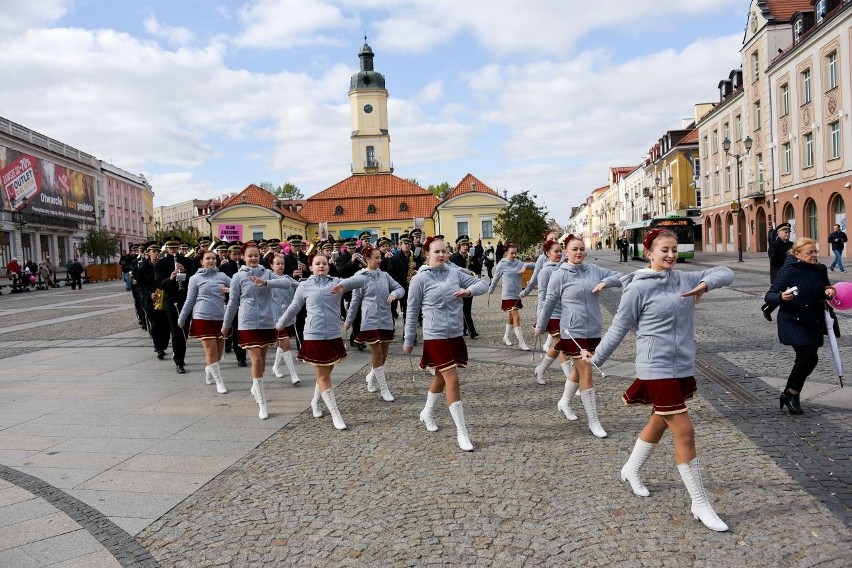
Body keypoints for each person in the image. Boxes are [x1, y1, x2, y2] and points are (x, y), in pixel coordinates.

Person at [582, 229, 734, 532]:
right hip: (656, 366)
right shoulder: (637, 288)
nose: (671, 255)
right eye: (664, 250)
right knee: (684, 430)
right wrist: (596, 358)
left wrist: (703, 285)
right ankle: (700, 503)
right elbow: (619, 327)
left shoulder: (684, 279)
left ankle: (631, 468)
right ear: (648, 252)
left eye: (674, 250)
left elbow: (725, 271)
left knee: (658, 421)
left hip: (682, 365)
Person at [404, 236, 489, 451]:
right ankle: (462, 432)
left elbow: (483, 284)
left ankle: (427, 412)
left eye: (444, 251)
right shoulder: (419, 279)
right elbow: (412, 311)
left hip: (455, 333)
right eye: (437, 252)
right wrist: (408, 339)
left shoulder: (454, 272)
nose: (441, 255)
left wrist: (468, 291)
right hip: (435, 335)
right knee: (452, 378)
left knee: (441, 377)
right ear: (427, 254)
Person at [535, 235, 623, 437]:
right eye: (574, 249)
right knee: (587, 372)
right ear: (566, 252)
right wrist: (540, 325)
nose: (579, 252)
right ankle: (594, 421)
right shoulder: (559, 275)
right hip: (572, 331)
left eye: (582, 249)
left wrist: (606, 282)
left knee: (578, 370)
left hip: (593, 328)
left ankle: (564, 402)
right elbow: (548, 302)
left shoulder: (593, 270)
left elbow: (622, 277)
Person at [276, 253, 366, 430]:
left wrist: (343, 285)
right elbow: (294, 307)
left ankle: (315, 402)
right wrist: (280, 324)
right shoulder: (304, 286)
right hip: (313, 334)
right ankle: (335, 413)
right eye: (317, 263)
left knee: (325, 373)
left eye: (324, 263)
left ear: (328, 266)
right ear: (311, 267)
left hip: (333, 334)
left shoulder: (335, 282)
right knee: (323, 375)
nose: (321, 266)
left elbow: (361, 281)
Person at [222, 242, 297, 420]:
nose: (253, 258)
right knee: (255, 360)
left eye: (256, 255)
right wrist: (226, 324)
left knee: (262, 363)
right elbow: (233, 302)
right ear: (244, 257)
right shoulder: (238, 277)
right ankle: (263, 403)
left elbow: (287, 283)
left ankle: (256, 385)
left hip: (266, 321)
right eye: (250, 256)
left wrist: (266, 282)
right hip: (247, 322)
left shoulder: (267, 272)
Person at [764, 237, 837, 415]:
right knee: (806, 356)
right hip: (793, 320)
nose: (814, 255)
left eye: (815, 251)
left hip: (813, 319)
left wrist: (830, 291)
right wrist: (781, 297)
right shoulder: (788, 270)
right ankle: (792, 395)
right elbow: (770, 295)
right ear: (797, 254)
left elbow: (825, 286)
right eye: (809, 252)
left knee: (811, 359)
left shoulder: (820, 268)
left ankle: (789, 392)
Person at [344, 245, 405, 401]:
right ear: (368, 259)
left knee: (383, 356)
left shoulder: (384, 275)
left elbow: (400, 288)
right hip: (370, 320)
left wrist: (394, 294)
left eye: (380, 257)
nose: (380, 260)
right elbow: (355, 301)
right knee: (377, 354)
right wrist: (349, 320)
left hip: (385, 319)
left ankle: (371, 376)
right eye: (377, 257)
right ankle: (384, 389)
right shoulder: (361, 276)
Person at [177, 251, 232, 395]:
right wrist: (182, 318)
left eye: (213, 258)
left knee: (219, 354)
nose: (211, 261)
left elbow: (238, 289)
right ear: (201, 261)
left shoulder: (222, 276)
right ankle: (219, 382)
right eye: (207, 258)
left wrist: (229, 290)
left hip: (220, 318)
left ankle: (209, 369)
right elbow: (190, 300)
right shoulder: (195, 278)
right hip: (202, 317)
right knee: (211, 350)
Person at [155, 237, 194, 374]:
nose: (173, 250)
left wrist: (186, 272)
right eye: (171, 247)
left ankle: (180, 355)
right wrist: (170, 278)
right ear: (166, 248)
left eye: (175, 247)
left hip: (186, 300)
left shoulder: (187, 261)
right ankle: (178, 361)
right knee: (176, 331)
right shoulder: (161, 264)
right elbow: (159, 283)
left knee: (184, 331)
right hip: (171, 301)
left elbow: (194, 280)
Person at [488, 242, 535, 350]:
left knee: (510, 317)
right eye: (512, 253)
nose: (514, 255)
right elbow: (495, 278)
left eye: (515, 253)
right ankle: (521, 342)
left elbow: (536, 265)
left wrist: (526, 265)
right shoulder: (502, 264)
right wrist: (491, 289)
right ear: (506, 252)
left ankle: (506, 336)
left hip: (517, 294)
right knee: (516, 317)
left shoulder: (519, 263)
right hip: (507, 295)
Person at [268, 254, 302, 386]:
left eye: (282, 263)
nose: (280, 266)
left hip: (287, 316)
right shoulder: (268, 279)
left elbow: (299, 286)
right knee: (286, 343)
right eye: (277, 263)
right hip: (275, 317)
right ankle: (293, 374)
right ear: (271, 266)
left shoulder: (288, 279)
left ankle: (275, 366)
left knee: (282, 344)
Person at [761, 223, 793, 320]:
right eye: (785, 232)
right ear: (779, 234)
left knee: (790, 293)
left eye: (788, 233)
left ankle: (768, 306)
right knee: (784, 294)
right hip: (778, 274)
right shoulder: (774, 245)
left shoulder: (791, 245)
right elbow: (774, 259)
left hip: (791, 273)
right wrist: (787, 257)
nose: (787, 234)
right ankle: (768, 309)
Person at [449, 235, 479, 338]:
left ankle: (465, 330)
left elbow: (478, 268)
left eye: (467, 244)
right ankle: (471, 331)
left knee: (467, 309)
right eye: (463, 245)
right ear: (459, 246)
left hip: (469, 285)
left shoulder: (470, 257)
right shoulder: (454, 258)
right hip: (459, 286)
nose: (466, 247)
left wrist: (472, 264)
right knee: (463, 309)